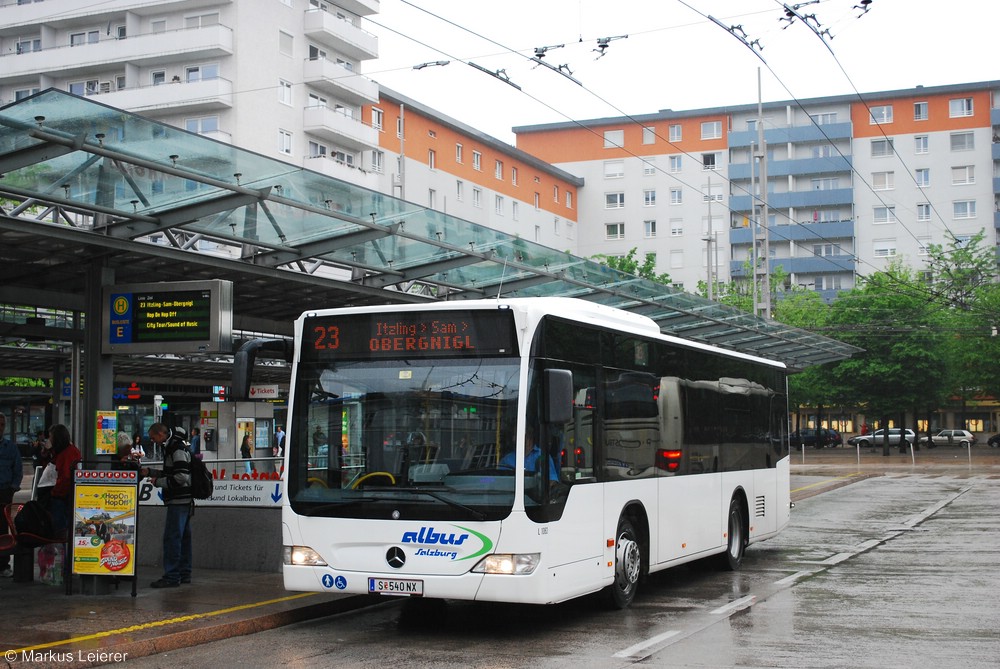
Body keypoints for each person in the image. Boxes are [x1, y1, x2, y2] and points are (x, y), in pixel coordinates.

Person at [141, 422, 192, 588]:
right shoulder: (175, 445)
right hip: (184, 500)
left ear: (161, 434)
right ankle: (184, 574)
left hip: (178, 500)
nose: (153, 441)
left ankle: (172, 576)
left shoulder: (176, 448)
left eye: (153, 437)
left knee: (172, 538)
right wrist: (151, 472)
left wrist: (158, 482)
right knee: (183, 538)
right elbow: (173, 472)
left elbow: (181, 477)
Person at [45, 424, 81, 536]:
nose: (49, 439)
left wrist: (55, 492)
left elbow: (66, 477)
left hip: (62, 498)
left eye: (51, 437)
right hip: (62, 496)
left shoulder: (67, 453)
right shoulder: (65, 451)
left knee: (60, 530)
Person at [0, 414, 24, 578]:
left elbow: (18, 469)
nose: (0, 428)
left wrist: (13, 488)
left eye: (2, 425)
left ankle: (2, 565)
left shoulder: (10, 448)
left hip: (4, 492)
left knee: (2, 529)